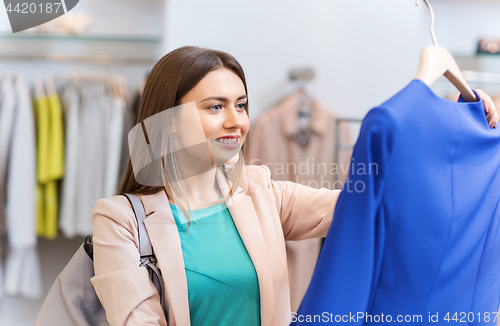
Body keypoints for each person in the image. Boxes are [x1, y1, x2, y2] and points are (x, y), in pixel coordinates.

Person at [90, 46, 499, 326]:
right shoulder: (120, 219)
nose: (236, 121)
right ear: (166, 119)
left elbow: (375, 205)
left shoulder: (259, 192)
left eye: (242, 105)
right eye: (216, 107)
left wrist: (460, 126)